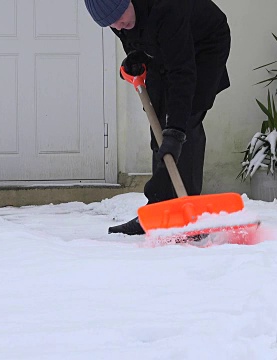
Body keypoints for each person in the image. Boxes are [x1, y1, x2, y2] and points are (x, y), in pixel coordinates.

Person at [84, 0, 231, 235]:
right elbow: (133, 38)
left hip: (205, 43)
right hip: (169, 45)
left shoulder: (167, 7)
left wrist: (175, 131)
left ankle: (187, 212)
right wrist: (136, 57)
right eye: (112, 24)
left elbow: (182, 72)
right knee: (158, 118)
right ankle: (159, 209)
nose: (119, 26)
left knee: (186, 121)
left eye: (120, 16)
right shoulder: (119, 20)